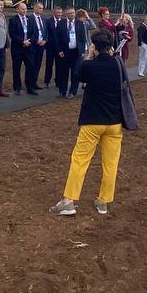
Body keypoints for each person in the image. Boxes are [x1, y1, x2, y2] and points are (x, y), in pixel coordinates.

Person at [49, 29, 125, 216]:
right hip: (114, 121)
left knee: (80, 160)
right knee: (111, 163)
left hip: (92, 121)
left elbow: (77, 76)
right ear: (110, 46)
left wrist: (89, 56)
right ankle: (104, 201)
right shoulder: (118, 64)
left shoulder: (89, 66)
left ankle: (68, 201)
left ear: (94, 46)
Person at [54, 5, 87, 97]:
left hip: (76, 52)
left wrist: (83, 51)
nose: (72, 14)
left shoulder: (80, 23)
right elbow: (56, 39)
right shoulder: (61, 24)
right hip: (64, 52)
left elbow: (83, 38)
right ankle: (63, 90)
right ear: (66, 14)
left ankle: (72, 91)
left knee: (75, 73)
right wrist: (59, 50)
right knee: (63, 72)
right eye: (70, 13)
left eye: (73, 13)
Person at [8, 1, 40, 95]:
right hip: (17, 48)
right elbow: (12, 34)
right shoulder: (13, 20)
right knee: (16, 68)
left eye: (25, 9)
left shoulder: (30, 19)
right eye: (22, 9)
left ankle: (30, 87)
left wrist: (29, 41)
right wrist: (22, 41)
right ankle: (17, 88)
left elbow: (35, 33)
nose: (24, 10)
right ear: (17, 9)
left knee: (30, 67)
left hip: (29, 48)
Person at [41, 3, 60, 88]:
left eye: (60, 13)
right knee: (49, 64)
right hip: (50, 47)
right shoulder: (48, 21)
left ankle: (58, 81)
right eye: (57, 13)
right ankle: (47, 81)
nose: (59, 14)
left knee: (59, 65)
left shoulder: (63, 21)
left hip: (59, 48)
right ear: (54, 13)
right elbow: (46, 32)